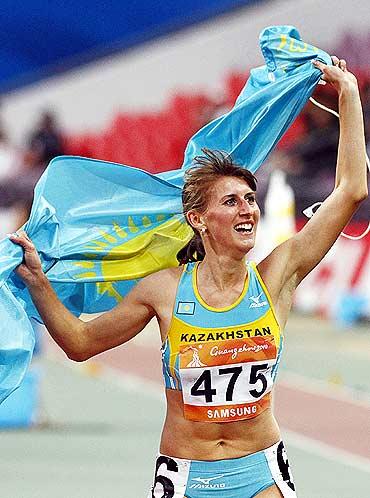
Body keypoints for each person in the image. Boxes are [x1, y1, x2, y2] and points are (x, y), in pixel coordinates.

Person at [9, 57, 368, 497]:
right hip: (186, 476)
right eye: (232, 201)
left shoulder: (279, 273)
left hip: (261, 472)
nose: (248, 210)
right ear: (198, 218)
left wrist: (348, 96)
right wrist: (40, 284)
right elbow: (81, 344)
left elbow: (352, 189)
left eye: (251, 199)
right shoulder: (162, 290)